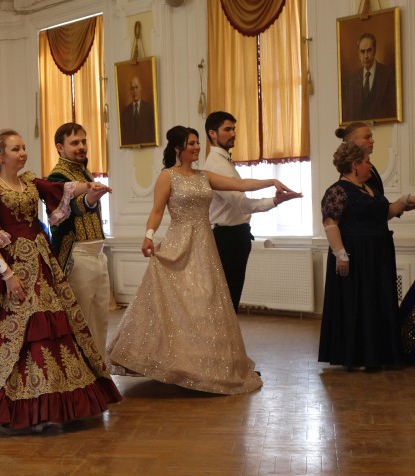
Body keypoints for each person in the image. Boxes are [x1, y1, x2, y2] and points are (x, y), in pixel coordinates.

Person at [0, 129, 122, 432]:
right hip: (9, 269)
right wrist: (7, 275)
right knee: (11, 333)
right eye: (15, 149)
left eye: (23, 148)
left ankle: (53, 403)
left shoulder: (31, 182)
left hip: (41, 264)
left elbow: (62, 189)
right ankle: (14, 408)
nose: (22, 153)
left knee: (51, 328)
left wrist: (91, 187)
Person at [107, 126, 301, 394]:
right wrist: (149, 235)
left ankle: (204, 367)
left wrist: (271, 182)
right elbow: (157, 210)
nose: (197, 147)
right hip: (178, 244)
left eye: (198, 142)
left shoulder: (204, 176)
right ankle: (177, 363)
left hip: (204, 244)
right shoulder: (167, 176)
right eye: (191, 143)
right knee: (182, 303)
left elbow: (239, 185)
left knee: (207, 302)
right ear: (178, 148)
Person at [320, 142, 408, 369]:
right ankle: (358, 355)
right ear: (354, 165)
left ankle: (378, 354)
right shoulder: (337, 190)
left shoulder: (368, 188)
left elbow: (384, 213)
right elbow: (330, 223)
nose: (370, 165)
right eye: (367, 161)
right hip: (357, 256)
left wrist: (404, 202)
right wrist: (341, 254)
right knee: (359, 302)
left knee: (377, 300)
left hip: (378, 256)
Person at [204, 111, 302, 311]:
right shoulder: (216, 164)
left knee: (230, 297)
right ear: (212, 134)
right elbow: (243, 204)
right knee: (227, 299)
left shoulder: (223, 161)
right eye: (227, 129)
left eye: (234, 129)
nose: (233, 134)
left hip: (233, 235)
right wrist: (274, 199)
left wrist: (274, 197)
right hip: (227, 238)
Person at [46, 123, 110, 359]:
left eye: (83, 141)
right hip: (77, 254)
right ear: (60, 148)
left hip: (97, 252)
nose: (81, 147)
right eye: (75, 143)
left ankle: (98, 368)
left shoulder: (85, 172)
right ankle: (80, 372)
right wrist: (90, 200)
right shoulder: (56, 178)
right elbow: (69, 210)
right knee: (79, 317)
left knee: (100, 317)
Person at [341, 33, 396, 122]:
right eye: (362, 52)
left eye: (369, 51)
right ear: (358, 54)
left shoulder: (388, 75)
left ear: (375, 51)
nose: (366, 56)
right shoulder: (351, 80)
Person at [119, 76, 156, 146]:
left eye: (136, 87)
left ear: (140, 88)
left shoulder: (150, 109)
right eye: (132, 88)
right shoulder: (124, 113)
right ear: (130, 91)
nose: (135, 91)